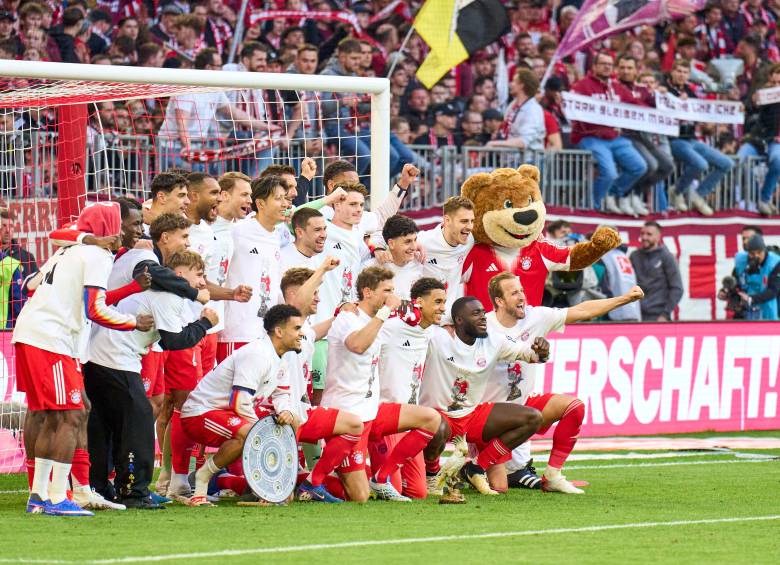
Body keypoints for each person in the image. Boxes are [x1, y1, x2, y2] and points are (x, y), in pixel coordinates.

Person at [12, 203, 153, 516]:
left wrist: (83, 241)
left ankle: (46, 494)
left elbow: (28, 285)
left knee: (60, 414)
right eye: (122, 225)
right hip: (52, 340)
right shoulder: (96, 255)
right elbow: (95, 309)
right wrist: (133, 322)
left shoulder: (66, 251)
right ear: (110, 230)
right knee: (69, 416)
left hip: (32, 335)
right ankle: (58, 496)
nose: (128, 231)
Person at [483, 272, 644, 493]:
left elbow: (582, 310)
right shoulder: (484, 326)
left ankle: (553, 475)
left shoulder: (536, 316)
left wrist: (624, 299)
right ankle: (472, 465)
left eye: (521, 290)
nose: (522, 296)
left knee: (574, 407)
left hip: (524, 406)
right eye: (514, 293)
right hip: (489, 414)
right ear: (499, 301)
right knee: (499, 487)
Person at [85, 251, 218, 509]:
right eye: (199, 275)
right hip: (114, 359)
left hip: (99, 357)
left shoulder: (164, 294)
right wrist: (205, 323)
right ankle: (134, 492)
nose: (203, 282)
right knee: (138, 422)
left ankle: (99, 486)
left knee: (105, 426)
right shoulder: (168, 296)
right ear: (179, 275)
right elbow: (175, 341)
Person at [320, 266, 441, 502]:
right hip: (346, 416)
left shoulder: (382, 322)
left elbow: (408, 323)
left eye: (393, 290)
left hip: (373, 412)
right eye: (387, 290)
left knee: (431, 419)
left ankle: (380, 477)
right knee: (359, 497)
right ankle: (309, 479)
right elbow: (357, 345)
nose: (392, 296)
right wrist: (385, 312)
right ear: (368, 292)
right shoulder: (348, 318)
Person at [419, 294, 548, 496]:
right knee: (437, 425)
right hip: (438, 416)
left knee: (533, 418)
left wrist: (542, 351)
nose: (483, 317)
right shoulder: (438, 338)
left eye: (483, 312)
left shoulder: (493, 340)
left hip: (472, 416)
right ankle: (431, 475)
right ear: (459, 320)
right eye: (475, 313)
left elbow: (531, 355)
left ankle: (476, 466)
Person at [180, 304, 305, 506]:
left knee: (293, 422)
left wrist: (286, 412)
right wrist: (263, 431)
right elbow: (239, 402)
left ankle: (264, 488)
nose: (302, 334)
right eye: (297, 328)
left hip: (232, 413)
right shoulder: (257, 353)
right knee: (250, 433)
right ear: (279, 332)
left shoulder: (282, 358)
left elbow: (282, 394)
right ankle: (202, 478)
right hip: (201, 413)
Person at [373, 277, 449, 499]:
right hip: (385, 413)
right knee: (392, 489)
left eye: (444, 302)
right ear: (419, 303)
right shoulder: (393, 327)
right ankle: (361, 476)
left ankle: (370, 476)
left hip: (410, 419)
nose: (442, 308)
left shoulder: (430, 332)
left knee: (418, 492)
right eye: (437, 302)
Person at [218, 175, 288, 362]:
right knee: (235, 391)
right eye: (278, 198)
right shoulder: (238, 230)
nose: (285, 204)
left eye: (286, 198)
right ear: (261, 203)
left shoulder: (275, 236)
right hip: (238, 333)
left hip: (266, 334)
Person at [570, 51, 648, 213]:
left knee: (639, 167)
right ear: (594, 66)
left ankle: (611, 194)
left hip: (615, 138)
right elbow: (571, 110)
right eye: (603, 64)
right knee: (610, 173)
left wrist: (658, 108)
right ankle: (592, 206)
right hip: (591, 137)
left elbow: (636, 105)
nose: (607, 67)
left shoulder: (617, 88)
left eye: (610, 65)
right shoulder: (581, 86)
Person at [665, 59, 734, 216]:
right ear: (672, 72)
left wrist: (736, 106)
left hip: (692, 138)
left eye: (685, 72)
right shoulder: (665, 89)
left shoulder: (691, 90)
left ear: (689, 74)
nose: (682, 75)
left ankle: (698, 195)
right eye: (678, 71)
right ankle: (677, 191)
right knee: (701, 164)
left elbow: (717, 92)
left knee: (726, 163)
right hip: (674, 139)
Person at [615, 55, 674, 216]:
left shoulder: (641, 89)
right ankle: (622, 195)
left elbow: (657, 105)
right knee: (651, 165)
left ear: (636, 70)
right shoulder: (612, 87)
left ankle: (635, 193)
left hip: (640, 135)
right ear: (617, 70)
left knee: (667, 166)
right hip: (622, 135)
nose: (626, 71)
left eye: (629, 68)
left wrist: (663, 95)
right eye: (623, 68)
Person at [416, 196, 475, 324]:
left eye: (472, 221)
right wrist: (379, 249)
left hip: (448, 320)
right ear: (447, 220)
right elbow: (391, 243)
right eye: (464, 221)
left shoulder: (469, 240)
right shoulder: (424, 241)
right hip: (422, 320)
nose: (470, 226)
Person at [629, 221, 683, 321]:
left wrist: (665, 314)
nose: (644, 237)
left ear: (658, 237)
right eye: (642, 233)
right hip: (636, 315)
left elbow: (677, 288)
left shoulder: (667, 257)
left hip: (658, 317)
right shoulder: (634, 256)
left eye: (649, 234)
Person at [487, 69, 546, 153]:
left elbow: (523, 141)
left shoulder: (533, 110)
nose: (510, 84)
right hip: (511, 160)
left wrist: (495, 143)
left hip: (528, 162)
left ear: (522, 85)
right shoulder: (512, 106)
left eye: (514, 81)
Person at [371, 214, 422, 300]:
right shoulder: (371, 269)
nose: (414, 247)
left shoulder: (421, 264)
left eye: (415, 240)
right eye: (407, 241)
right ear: (391, 243)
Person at [734, 234, 780, 320]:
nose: (756, 256)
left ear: (764, 250)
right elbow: (736, 282)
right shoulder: (741, 261)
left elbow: (774, 290)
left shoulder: (775, 263)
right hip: (746, 310)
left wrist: (751, 299)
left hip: (767, 308)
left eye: (759, 252)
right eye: (752, 253)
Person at [281, 208, 327, 272]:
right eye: (317, 230)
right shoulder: (282, 260)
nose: (323, 235)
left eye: (324, 229)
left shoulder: (320, 259)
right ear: (299, 232)